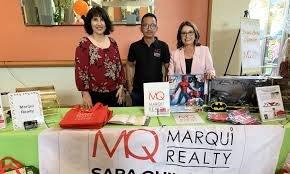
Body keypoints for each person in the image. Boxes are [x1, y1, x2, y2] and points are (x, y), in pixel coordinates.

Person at [75, 6, 126, 108]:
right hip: (93, 95)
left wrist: (121, 87)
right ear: (90, 22)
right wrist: (85, 94)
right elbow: (81, 71)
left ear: (106, 22)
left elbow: (118, 66)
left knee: (115, 122)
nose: (99, 23)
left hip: (115, 93)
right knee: (97, 123)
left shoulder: (112, 42)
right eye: (95, 20)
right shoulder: (84, 43)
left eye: (102, 20)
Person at [126, 13, 171, 106]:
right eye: (145, 25)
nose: (149, 28)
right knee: (138, 119)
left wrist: (167, 86)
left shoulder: (163, 46)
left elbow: (168, 67)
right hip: (138, 91)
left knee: (156, 119)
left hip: (157, 92)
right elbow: (129, 65)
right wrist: (130, 86)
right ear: (141, 28)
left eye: (152, 25)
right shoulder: (134, 46)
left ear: (156, 28)